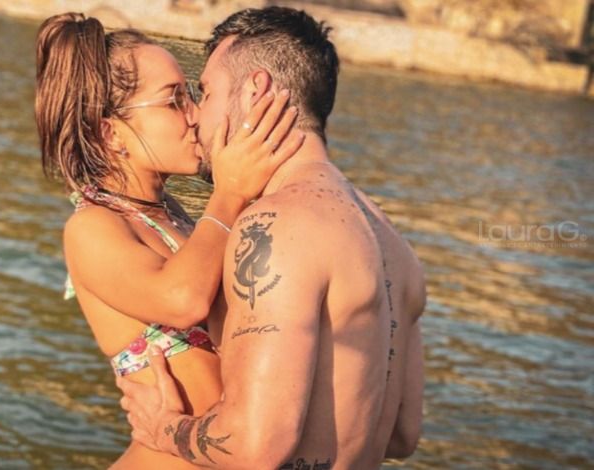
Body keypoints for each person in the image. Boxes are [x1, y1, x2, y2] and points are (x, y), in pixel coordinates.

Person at [117, 7, 426, 469]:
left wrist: (162, 427)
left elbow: (255, 447)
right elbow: (401, 434)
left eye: (207, 92)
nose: (196, 116)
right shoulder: (392, 242)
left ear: (255, 90)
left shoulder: (277, 225)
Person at [34, 13, 304, 469]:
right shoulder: (93, 226)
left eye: (192, 95)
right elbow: (182, 300)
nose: (195, 114)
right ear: (110, 133)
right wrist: (230, 192)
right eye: (173, 100)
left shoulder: (175, 216)